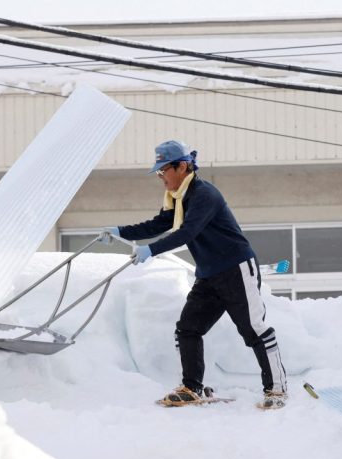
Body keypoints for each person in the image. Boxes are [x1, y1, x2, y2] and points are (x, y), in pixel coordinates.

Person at [104, 140, 287, 409]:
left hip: (236, 269)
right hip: (209, 275)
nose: (161, 177)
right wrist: (119, 232)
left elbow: (187, 232)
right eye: (159, 172)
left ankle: (277, 389)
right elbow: (159, 224)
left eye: (163, 170)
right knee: (188, 329)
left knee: (254, 330)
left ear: (182, 166)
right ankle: (192, 388)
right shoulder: (179, 199)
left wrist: (150, 251)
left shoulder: (204, 195)